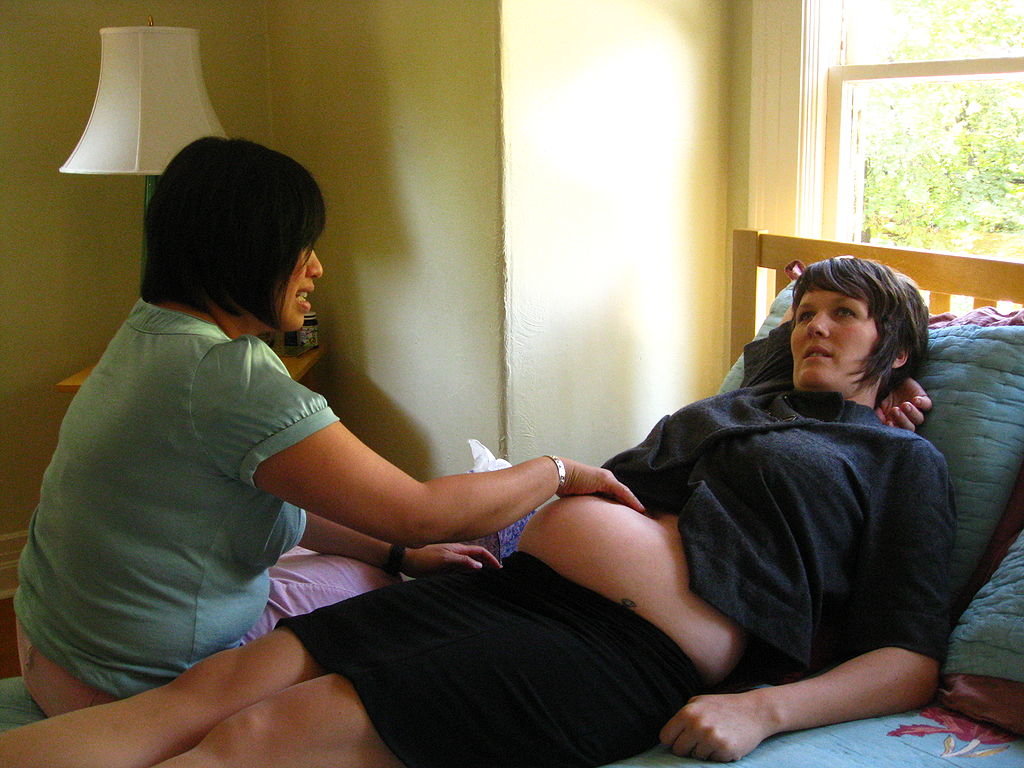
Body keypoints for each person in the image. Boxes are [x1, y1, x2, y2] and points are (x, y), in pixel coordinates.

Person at [0, 256, 955, 768]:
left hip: (624, 652)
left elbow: (909, 659)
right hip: (511, 591)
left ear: (899, 350)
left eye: (845, 316)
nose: (814, 327)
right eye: (803, 312)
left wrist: (762, 710)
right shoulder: (735, 409)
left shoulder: (899, 460)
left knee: (263, 737)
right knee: (207, 695)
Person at [12, 137, 642, 718]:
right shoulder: (229, 375)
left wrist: (400, 556)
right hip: (129, 684)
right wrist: (559, 472)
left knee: (375, 574)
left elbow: (279, 497)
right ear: (247, 251)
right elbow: (421, 512)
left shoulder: (148, 335)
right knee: (407, 633)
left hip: (49, 646)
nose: (316, 269)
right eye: (302, 249)